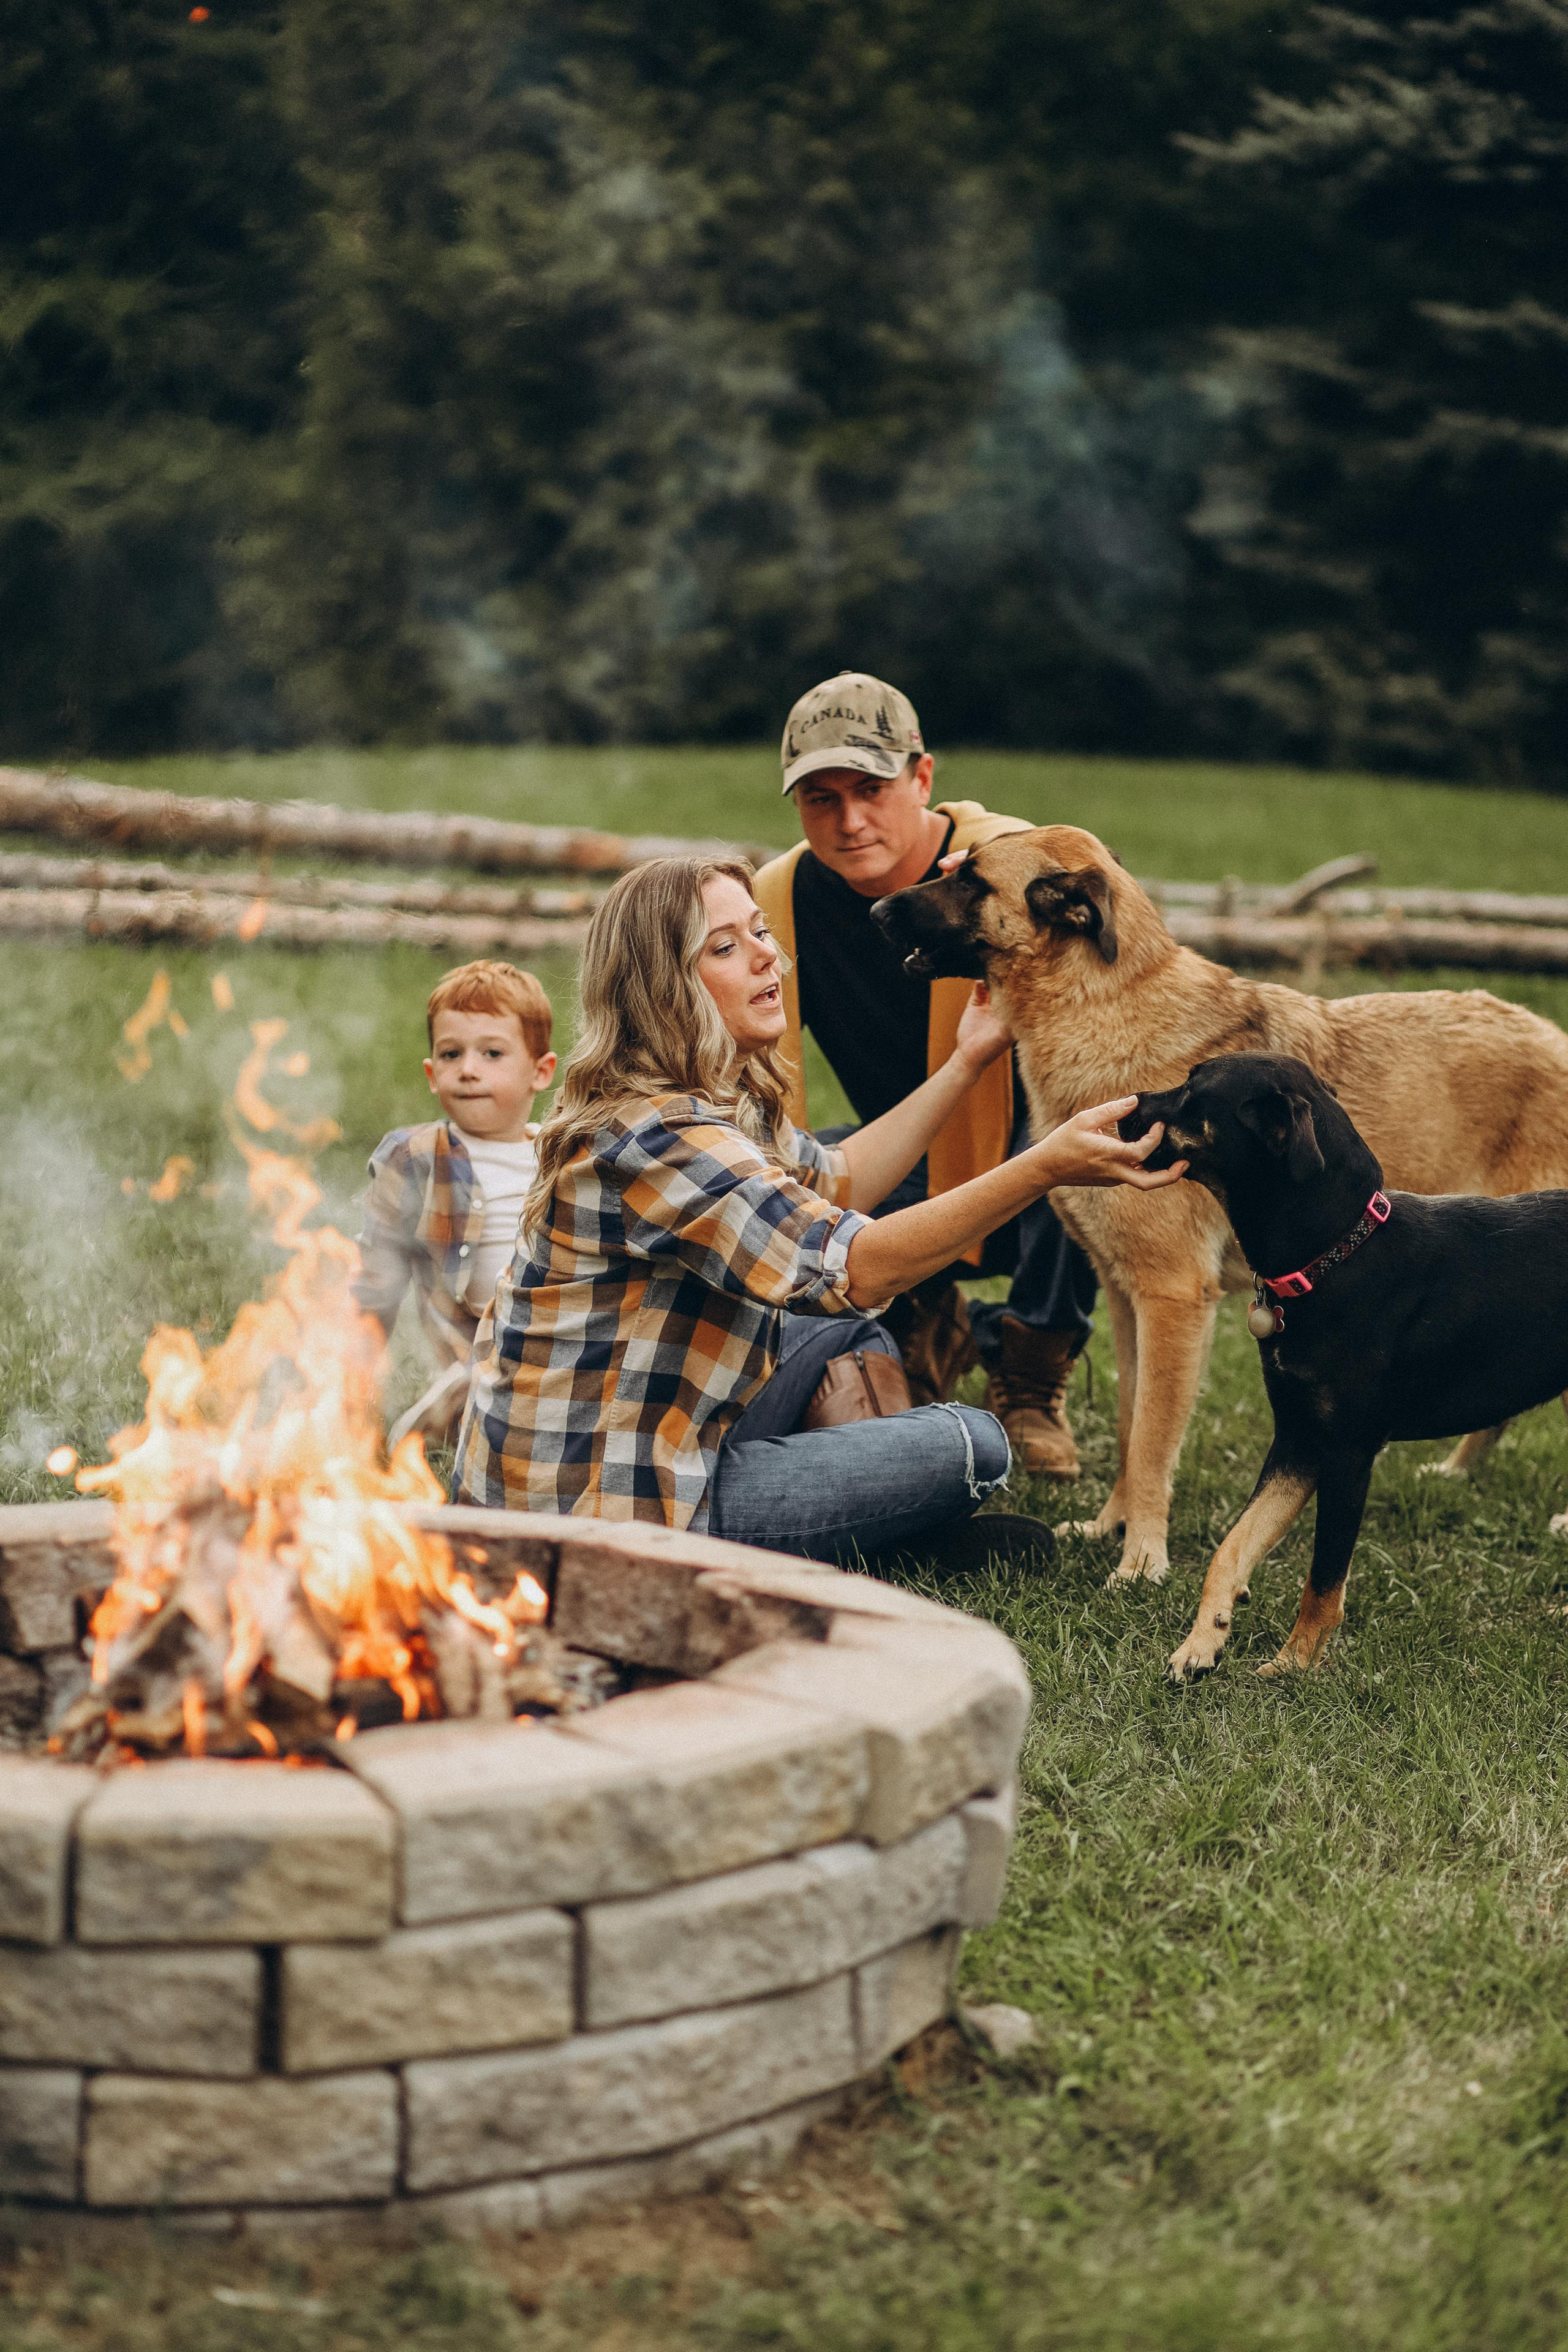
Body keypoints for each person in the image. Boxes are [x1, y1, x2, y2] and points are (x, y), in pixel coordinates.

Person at [452, 857, 1179, 1565]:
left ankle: (868, 1518)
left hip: (627, 1439)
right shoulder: (663, 1138)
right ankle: (877, 1536)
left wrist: (966, 1061)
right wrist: (1045, 1164)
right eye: (726, 947)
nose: (768, 958)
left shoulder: (710, 1096)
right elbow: (860, 1270)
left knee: (838, 1338)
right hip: (602, 1514)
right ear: (663, 988)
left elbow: (842, 1179)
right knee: (971, 1445)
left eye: (761, 932)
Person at [753, 671, 1101, 1480]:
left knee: (1074, 1136)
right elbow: (754, 1079)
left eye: (871, 789)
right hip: (912, 1162)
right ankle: (926, 1316)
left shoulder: (1016, 866)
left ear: (923, 777)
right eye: (820, 799)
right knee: (787, 1176)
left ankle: (1030, 1375)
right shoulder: (780, 898)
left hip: (1041, 1171)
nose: (850, 821)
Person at [354, 959, 557, 1448]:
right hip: (478, 1348)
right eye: (450, 1055)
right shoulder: (416, 1159)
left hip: (561, 1334)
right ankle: (465, 1407)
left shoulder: (564, 1156)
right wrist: (355, 1375)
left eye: (492, 1054)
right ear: (430, 1073)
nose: (468, 1070)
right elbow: (375, 1281)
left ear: (541, 1071)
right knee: (485, 1382)